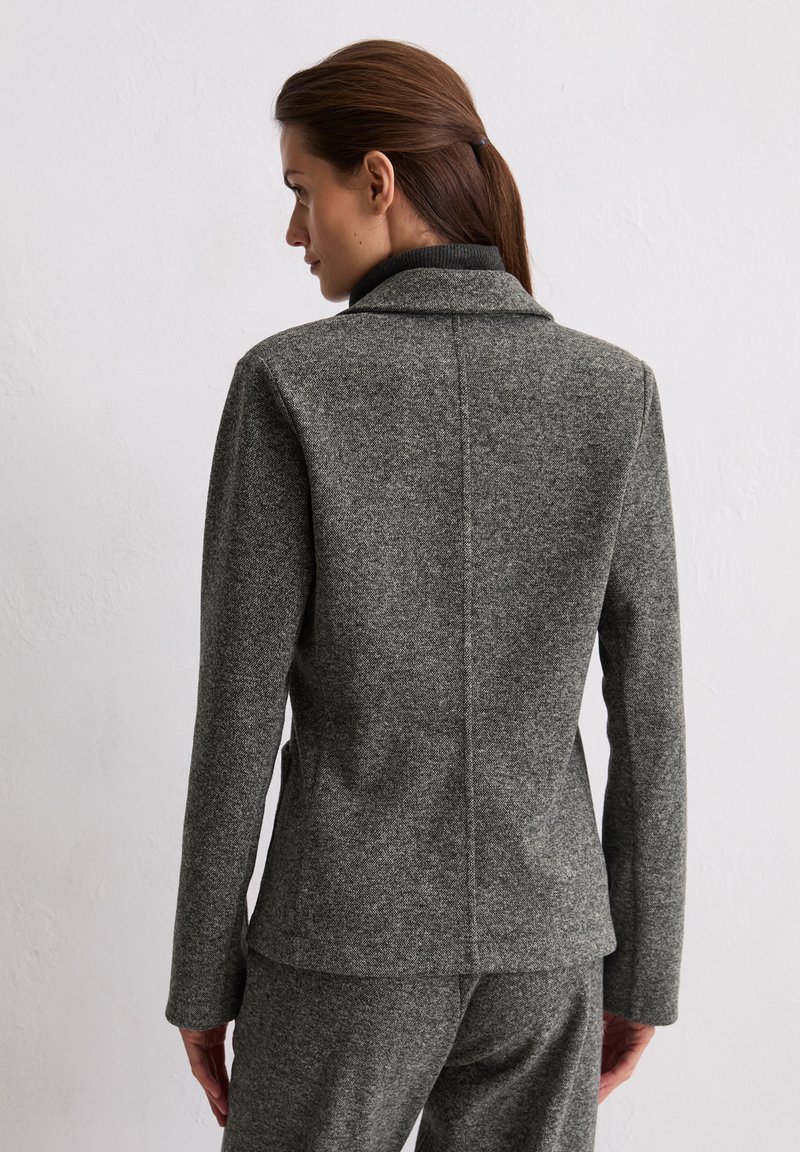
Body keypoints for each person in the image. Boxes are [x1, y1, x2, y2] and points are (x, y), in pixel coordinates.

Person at [164, 38, 687, 1152]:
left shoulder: (287, 384)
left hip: (340, 937)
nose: (295, 231)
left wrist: (203, 979)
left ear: (377, 180)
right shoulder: (613, 392)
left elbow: (238, 711)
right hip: (546, 945)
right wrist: (644, 967)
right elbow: (651, 714)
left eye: (301, 190)